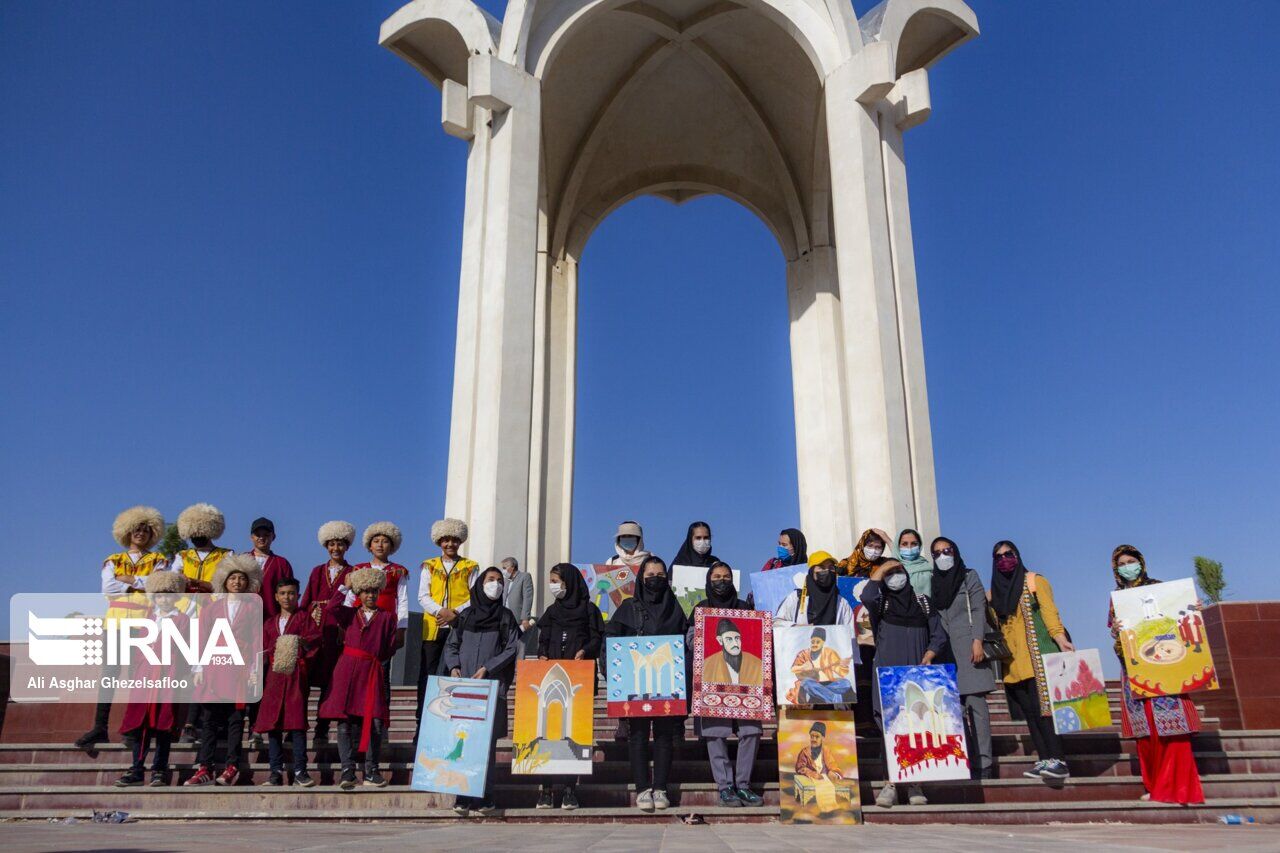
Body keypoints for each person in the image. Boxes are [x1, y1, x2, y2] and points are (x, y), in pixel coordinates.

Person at [1108, 544, 1205, 804]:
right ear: (1116, 569)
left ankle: (1179, 789)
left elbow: (1180, 619)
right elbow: (1116, 639)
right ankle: (1155, 785)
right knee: (1147, 734)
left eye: (1131, 561)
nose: (1128, 566)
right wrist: (1117, 631)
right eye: (1122, 564)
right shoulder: (1117, 598)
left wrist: (1192, 608)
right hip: (1136, 671)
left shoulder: (1160, 589)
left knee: (1172, 731)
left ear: (1141, 562)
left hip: (1166, 668)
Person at [77, 505, 170, 750]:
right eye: (136, 529)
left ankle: (133, 727)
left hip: (144, 624)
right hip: (115, 623)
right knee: (109, 673)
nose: (140, 533)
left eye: (146, 529)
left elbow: (157, 584)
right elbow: (107, 588)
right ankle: (100, 727)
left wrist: (127, 580)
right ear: (127, 532)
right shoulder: (112, 559)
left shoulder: (159, 560)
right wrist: (136, 585)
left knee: (136, 676)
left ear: (152, 533)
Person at [861, 558, 948, 808]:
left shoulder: (922, 602)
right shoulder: (881, 603)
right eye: (891, 573)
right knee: (891, 727)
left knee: (917, 724)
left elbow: (938, 634)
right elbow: (867, 595)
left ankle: (914, 783)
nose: (895, 577)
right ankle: (891, 782)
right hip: (888, 674)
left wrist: (930, 654)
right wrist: (884, 568)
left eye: (899, 572)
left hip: (917, 672)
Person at [606, 556, 687, 812]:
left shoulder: (675, 607)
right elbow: (610, 641)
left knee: (664, 736)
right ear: (641, 578)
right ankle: (643, 788)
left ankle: (661, 787)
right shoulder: (628, 608)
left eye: (661, 574)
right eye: (650, 574)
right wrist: (614, 675)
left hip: (667, 682)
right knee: (638, 736)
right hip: (635, 682)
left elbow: (685, 642)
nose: (655, 578)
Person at [989, 540, 1074, 781]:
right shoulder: (995, 591)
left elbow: (1049, 612)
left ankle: (1059, 760)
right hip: (1014, 664)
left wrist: (1060, 638)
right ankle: (1045, 759)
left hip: (1039, 656)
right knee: (1030, 713)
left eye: (1009, 554)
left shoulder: (1035, 581)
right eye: (998, 557)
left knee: (1045, 711)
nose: (1004, 559)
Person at [445, 567, 521, 816]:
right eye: (490, 580)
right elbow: (452, 644)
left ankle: (486, 795)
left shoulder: (505, 616)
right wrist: (454, 666)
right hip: (465, 686)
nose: (496, 584)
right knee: (462, 740)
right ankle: (462, 796)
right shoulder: (466, 615)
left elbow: (511, 649)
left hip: (490, 687)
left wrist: (488, 668)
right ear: (479, 584)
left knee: (486, 744)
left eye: (500, 581)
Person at [688, 562, 764, 808]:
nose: (722, 581)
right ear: (709, 581)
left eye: (726, 576)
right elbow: (689, 639)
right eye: (717, 577)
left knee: (750, 731)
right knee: (715, 733)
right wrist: (700, 639)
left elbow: (757, 637)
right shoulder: (701, 608)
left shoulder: (744, 608)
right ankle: (725, 787)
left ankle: (743, 785)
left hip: (748, 680)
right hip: (712, 678)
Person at [184, 554, 263, 787]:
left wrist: (254, 670)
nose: (237, 582)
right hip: (214, 667)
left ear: (248, 583)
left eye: (241, 578)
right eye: (233, 578)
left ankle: (232, 766)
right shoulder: (212, 607)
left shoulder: (252, 607)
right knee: (209, 721)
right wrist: (198, 666)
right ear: (224, 581)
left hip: (239, 669)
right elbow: (202, 637)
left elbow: (257, 640)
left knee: (235, 719)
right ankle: (205, 767)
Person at [319, 566, 398, 789]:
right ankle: (348, 771)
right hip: (347, 671)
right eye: (365, 591)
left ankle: (371, 770)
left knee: (373, 721)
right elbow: (333, 607)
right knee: (345, 722)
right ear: (359, 594)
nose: (370, 595)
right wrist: (347, 585)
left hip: (371, 670)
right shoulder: (350, 614)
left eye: (374, 591)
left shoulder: (388, 617)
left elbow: (390, 646)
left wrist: (373, 659)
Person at [535, 563, 604, 810]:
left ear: (570, 582)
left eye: (557, 581)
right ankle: (545, 789)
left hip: (579, 679)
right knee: (546, 731)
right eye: (552, 581)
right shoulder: (551, 611)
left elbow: (597, 639)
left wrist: (585, 651)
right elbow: (542, 640)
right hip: (550, 678)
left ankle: (569, 790)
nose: (554, 586)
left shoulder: (589, 610)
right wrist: (542, 654)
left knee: (574, 734)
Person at [928, 537, 996, 779]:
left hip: (969, 646)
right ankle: (963, 758)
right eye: (936, 553)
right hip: (945, 653)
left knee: (976, 705)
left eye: (947, 550)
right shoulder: (933, 582)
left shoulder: (969, 576)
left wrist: (978, 639)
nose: (943, 555)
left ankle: (984, 762)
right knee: (953, 710)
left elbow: (978, 608)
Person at [113, 570, 189, 787]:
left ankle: (159, 770)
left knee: (164, 724)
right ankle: (136, 769)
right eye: (159, 594)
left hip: (169, 672)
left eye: (168, 594)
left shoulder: (182, 619)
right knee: (142, 723)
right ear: (154, 596)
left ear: (176, 596)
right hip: (145, 674)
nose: (164, 598)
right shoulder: (148, 618)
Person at [172, 503, 233, 743]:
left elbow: (227, 583)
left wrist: (204, 585)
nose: (197, 534)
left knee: (211, 669)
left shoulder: (226, 555)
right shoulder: (181, 556)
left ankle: (206, 724)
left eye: (202, 528)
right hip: (185, 616)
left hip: (214, 615)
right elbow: (172, 581)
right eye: (193, 530)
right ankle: (186, 723)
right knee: (187, 670)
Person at [254, 576, 321, 787]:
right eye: (282, 593)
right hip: (273, 678)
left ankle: (301, 771)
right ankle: (275, 772)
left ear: (298, 596)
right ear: (275, 596)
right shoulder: (269, 623)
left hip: (296, 675)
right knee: (273, 725)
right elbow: (262, 650)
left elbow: (315, 642)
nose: (287, 597)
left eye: (291, 593)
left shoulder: (305, 618)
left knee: (297, 723)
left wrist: (303, 646)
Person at [416, 518, 478, 734]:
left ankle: (455, 722)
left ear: (460, 541)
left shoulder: (470, 566)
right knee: (428, 675)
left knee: (456, 672)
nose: (450, 544)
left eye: (454, 540)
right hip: (432, 627)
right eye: (445, 540)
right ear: (439, 541)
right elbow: (422, 596)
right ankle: (421, 726)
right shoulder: (429, 565)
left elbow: (474, 596)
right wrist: (440, 611)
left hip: (459, 627)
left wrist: (455, 613)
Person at [300, 520, 356, 745]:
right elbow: (305, 600)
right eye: (332, 544)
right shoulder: (316, 571)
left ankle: (321, 727)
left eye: (340, 544)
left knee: (329, 681)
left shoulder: (353, 572)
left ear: (347, 547)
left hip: (338, 630)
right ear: (326, 546)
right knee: (305, 677)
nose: (336, 549)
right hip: (315, 628)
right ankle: (297, 725)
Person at [351, 521, 410, 648]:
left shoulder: (398, 571)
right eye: (376, 541)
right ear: (370, 546)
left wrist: (401, 629)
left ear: (392, 546)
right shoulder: (359, 569)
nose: (380, 545)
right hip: (358, 621)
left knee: (382, 661)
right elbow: (350, 597)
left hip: (385, 623)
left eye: (385, 541)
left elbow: (403, 600)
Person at [774, 552, 855, 627]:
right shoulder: (797, 598)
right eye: (822, 567)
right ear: (812, 571)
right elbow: (776, 623)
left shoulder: (841, 603)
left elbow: (850, 632)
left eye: (831, 568)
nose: (827, 571)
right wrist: (797, 627)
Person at [793, 721, 848, 817]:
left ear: (822, 738)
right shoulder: (805, 752)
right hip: (811, 776)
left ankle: (832, 809)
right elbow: (800, 767)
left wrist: (833, 772)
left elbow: (832, 763)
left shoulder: (826, 750)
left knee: (828, 785)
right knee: (821, 786)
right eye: (812, 736)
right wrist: (812, 773)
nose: (813, 739)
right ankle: (824, 810)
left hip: (824, 776)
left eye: (817, 737)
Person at [788, 627, 854, 705]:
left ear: (823, 642)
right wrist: (803, 667)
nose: (814, 644)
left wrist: (843, 665)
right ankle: (833, 698)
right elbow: (793, 669)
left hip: (829, 684)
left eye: (818, 642)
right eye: (813, 642)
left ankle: (823, 693)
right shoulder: (803, 654)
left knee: (846, 683)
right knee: (806, 682)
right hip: (812, 684)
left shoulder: (829, 652)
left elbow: (841, 672)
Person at [247, 517, 294, 618]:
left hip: (272, 617)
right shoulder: (242, 560)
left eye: (266, 535)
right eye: (258, 535)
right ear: (251, 537)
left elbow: (291, 593)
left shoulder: (282, 563)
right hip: (245, 618)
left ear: (273, 536)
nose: (261, 538)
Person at [501, 556, 536, 653]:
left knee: (519, 647)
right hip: (505, 619)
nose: (503, 570)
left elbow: (527, 597)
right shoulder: (506, 580)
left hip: (518, 619)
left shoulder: (525, 576)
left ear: (512, 567)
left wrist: (525, 617)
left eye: (504, 568)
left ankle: (518, 667)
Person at [895, 528, 933, 598]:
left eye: (914, 544)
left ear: (920, 545)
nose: (909, 547)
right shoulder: (892, 569)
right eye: (904, 544)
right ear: (897, 546)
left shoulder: (928, 568)